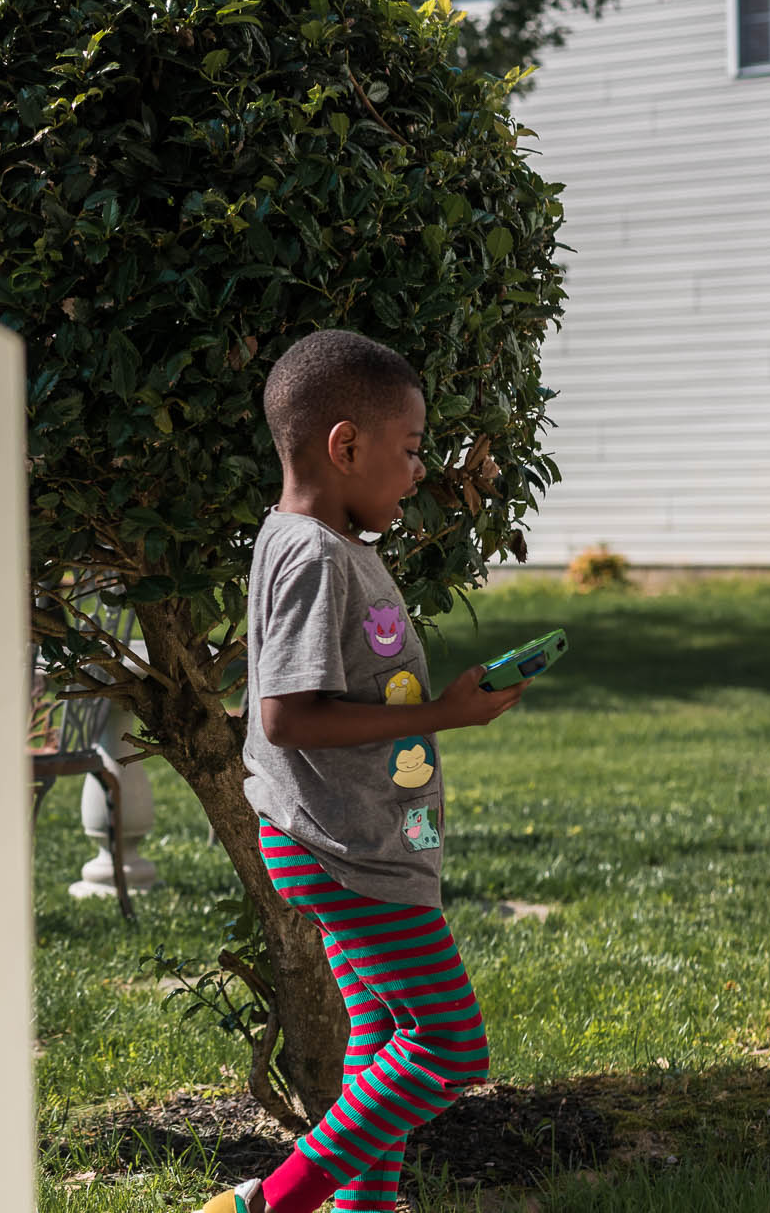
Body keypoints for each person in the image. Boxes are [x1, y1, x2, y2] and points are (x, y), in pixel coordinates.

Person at [205, 329, 529, 1213]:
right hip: (342, 845)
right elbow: (287, 714)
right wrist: (443, 711)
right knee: (450, 1047)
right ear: (345, 445)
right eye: (412, 449)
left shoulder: (323, 543)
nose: (420, 470)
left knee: (386, 1033)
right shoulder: (311, 553)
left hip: (363, 839)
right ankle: (271, 1202)